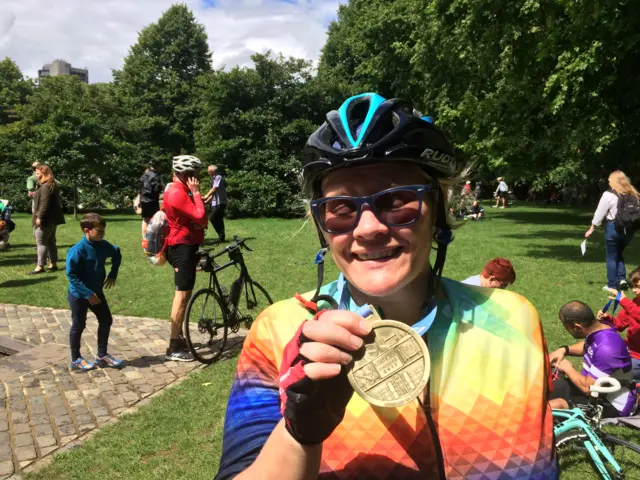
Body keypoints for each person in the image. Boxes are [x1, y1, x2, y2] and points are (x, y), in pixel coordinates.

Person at [215, 93, 557, 479]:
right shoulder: (277, 332)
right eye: (341, 209)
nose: (369, 228)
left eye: (397, 201)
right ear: (320, 225)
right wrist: (300, 433)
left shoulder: (513, 318)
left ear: (439, 211)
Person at [549, 301, 637, 417]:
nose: (567, 330)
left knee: (553, 406)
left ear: (577, 327)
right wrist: (564, 350)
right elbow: (588, 345)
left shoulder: (607, 349)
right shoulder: (599, 329)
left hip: (611, 404)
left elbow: (588, 388)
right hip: (593, 392)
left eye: (567, 327)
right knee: (543, 389)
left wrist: (568, 368)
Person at [162, 155, 208, 362]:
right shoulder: (176, 192)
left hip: (187, 246)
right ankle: (174, 346)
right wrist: (197, 194)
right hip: (182, 248)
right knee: (181, 296)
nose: (197, 177)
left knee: (186, 294)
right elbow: (200, 217)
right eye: (194, 173)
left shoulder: (181, 190)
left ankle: (178, 335)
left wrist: (196, 197)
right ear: (186, 174)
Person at [66, 213, 123, 371]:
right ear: (87, 230)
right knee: (79, 325)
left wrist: (113, 273)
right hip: (79, 295)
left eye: (104, 231)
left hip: (97, 293)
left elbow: (116, 254)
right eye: (100, 231)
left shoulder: (103, 245)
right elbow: (71, 275)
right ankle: (76, 359)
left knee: (106, 319)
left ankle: (102, 355)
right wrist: (87, 294)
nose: (103, 234)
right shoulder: (77, 250)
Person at [586, 170, 639, 291]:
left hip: (613, 228)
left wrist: (592, 227)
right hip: (629, 230)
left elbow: (600, 213)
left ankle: (611, 285)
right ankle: (622, 280)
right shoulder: (632, 193)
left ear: (613, 182)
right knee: (618, 253)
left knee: (611, 256)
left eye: (609, 181)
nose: (608, 183)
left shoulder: (608, 195)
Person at [598, 266, 640, 382]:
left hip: (637, 358)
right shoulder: (635, 302)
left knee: (619, 380)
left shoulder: (630, 304)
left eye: (638, 287)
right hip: (631, 352)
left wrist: (624, 302)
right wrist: (607, 318)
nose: (634, 291)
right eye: (634, 287)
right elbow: (619, 325)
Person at [29, 165, 65, 275]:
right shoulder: (51, 185)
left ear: (44, 173)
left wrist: (39, 217)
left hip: (45, 219)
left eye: (38, 173)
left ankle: (40, 266)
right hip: (52, 219)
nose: (36, 174)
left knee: (41, 242)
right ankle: (53, 263)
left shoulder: (45, 186)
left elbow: (44, 204)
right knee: (51, 242)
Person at [203, 165, 227, 243]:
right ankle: (221, 237)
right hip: (214, 203)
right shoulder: (213, 179)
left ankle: (221, 235)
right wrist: (207, 201)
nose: (208, 172)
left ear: (213, 171)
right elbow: (214, 193)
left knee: (212, 218)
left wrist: (206, 196)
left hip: (220, 202)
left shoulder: (218, 177)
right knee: (219, 219)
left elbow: (214, 189)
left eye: (209, 170)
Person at [138, 162, 162, 236]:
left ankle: (145, 239)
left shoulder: (144, 176)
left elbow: (139, 187)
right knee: (155, 220)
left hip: (144, 200)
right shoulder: (155, 176)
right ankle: (152, 238)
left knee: (145, 220)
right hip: (152, 201)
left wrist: (140, 198)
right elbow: (156, 189)